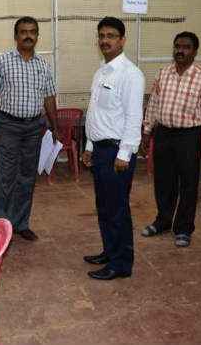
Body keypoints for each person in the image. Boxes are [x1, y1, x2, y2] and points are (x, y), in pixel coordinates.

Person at [139, 31, 201, 248]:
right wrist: (147, 131)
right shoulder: (163, 73)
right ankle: (163, 221)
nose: (180, 51)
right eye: (177, 46)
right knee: (163, 181)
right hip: (163, 134)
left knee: (188, 183)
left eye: (186, 47)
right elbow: (153, 104)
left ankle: (184, 228)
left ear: (195, 51)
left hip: (189, 136)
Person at [0, 16, 60, 241]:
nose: (28, 36)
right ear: (16, 36)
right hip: (8, 126)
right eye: (23, 32)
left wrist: (55, 127)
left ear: (37, 36)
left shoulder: (43, 65)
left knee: (27, 177)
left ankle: (20, 223)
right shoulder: (3, 61)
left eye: (32, 32)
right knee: (6, 178)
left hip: (34, 128)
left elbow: (49, 98)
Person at [82, 16, 144, 280]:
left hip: (116, 152)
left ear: (122, 40)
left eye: (111, 36)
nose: (105, 40)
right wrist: (89, 145)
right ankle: (110, 251)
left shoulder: (131, 74)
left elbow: (133, 118)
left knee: (117, 208)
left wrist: (124, 154)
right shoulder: (101, 72)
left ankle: (121, 264)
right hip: (100, 149)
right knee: (104, 206)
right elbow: (95, 113)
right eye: (101, 36)